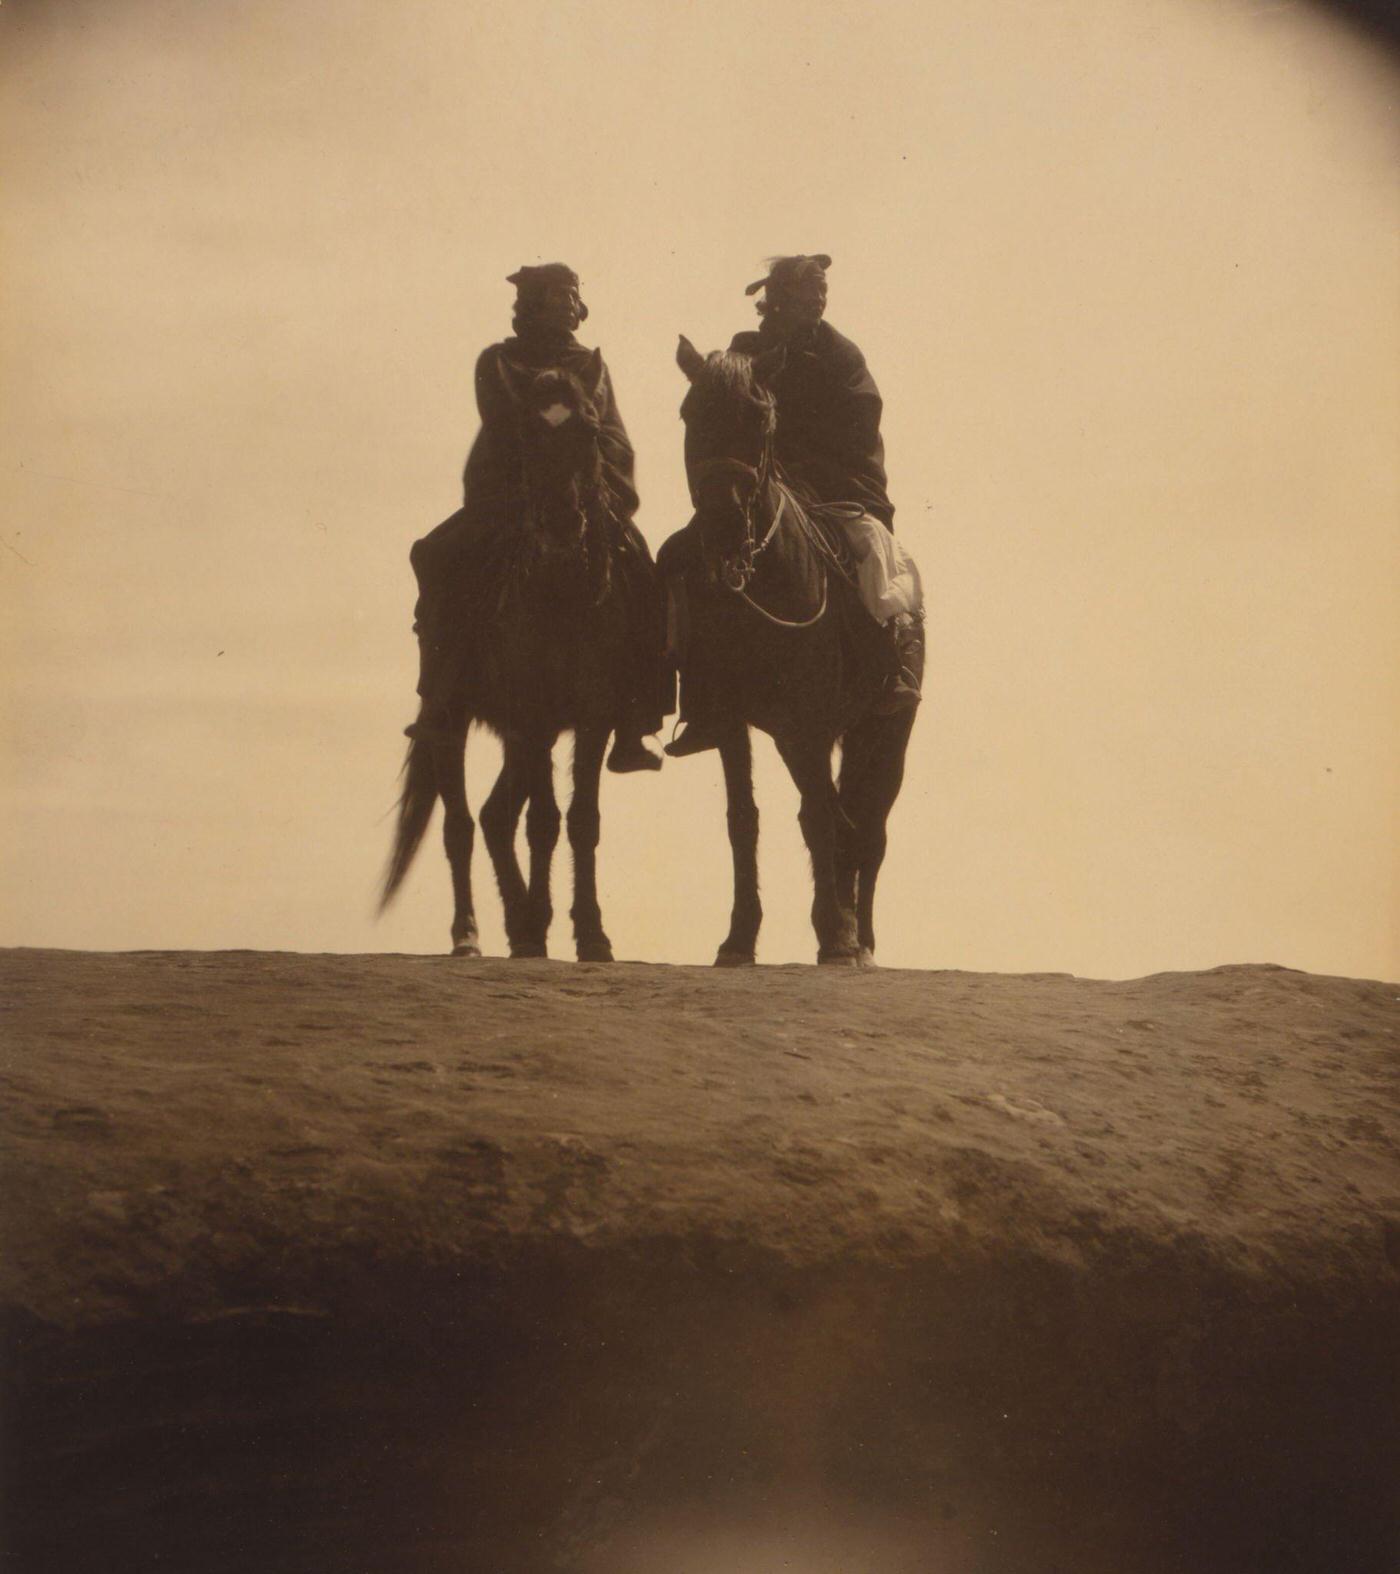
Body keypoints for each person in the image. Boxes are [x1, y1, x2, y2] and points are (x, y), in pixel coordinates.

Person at [407, 264, 664, 772]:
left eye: (573, 296)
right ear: (532, 304)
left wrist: (601, 477)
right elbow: (501, 429)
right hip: (509, 497)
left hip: (584, 492)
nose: (569, 305)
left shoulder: (591, 364)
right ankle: (440, 694)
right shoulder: (498, 361)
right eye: (558, 296)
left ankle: (637, 721)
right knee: (436, 555)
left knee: (643, 572)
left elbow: (612, 431)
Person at [665, 253, 925, 758]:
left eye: (822, 292)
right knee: (679, 556)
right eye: (808, 292)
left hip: (838, 493)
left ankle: (891, 670)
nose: (818, 300)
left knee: (879, 561)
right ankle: (699, 702)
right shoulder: (742, 352)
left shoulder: (841, 356)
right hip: (756, 492)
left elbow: (860, 427)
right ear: (776, 300)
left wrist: (804, 475)